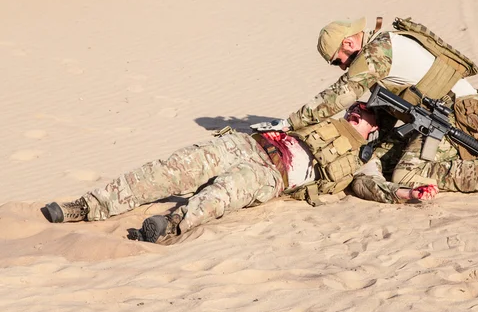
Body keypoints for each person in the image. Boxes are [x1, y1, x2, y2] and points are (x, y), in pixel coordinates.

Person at [43, 103, 437, 243]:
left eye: (366, 113)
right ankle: (86, 205)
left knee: (220, 197)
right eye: (359, 106)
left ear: (375, 128)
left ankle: (169, 227)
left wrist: (405, 195)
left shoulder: (359, 158)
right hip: (245, 144)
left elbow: (368, 184)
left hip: (272, 176)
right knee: (166, 171)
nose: (357, 111)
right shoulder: (323, 114)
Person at [254, 16, 478, 193]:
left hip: (456, 119)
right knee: (384, 158)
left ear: (348, 44)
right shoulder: (387, 44)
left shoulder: (377, 53)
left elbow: (341, 94)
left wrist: (291, 122)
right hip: (454, 113)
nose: (341, 68)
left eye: (338, 61)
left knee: (406, 174)